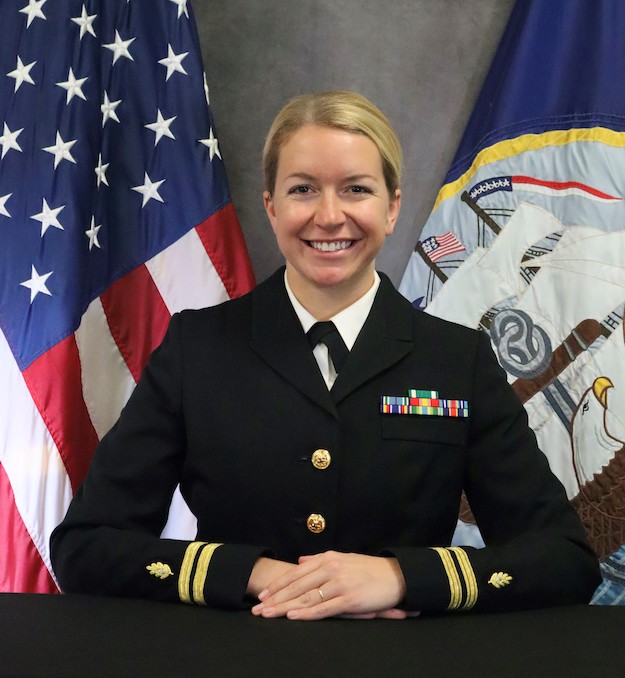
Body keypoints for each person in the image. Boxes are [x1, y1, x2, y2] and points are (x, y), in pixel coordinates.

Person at [50, 91, 600, 619]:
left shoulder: (458, 360)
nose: (330, 216)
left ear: (392, 208)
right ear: (270, 206)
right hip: (235, 656)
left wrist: (402, 577)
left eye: (357, 189)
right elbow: (86, 547)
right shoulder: (198, 350)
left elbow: (563, 558)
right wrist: (255, 573)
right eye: (303, 189)